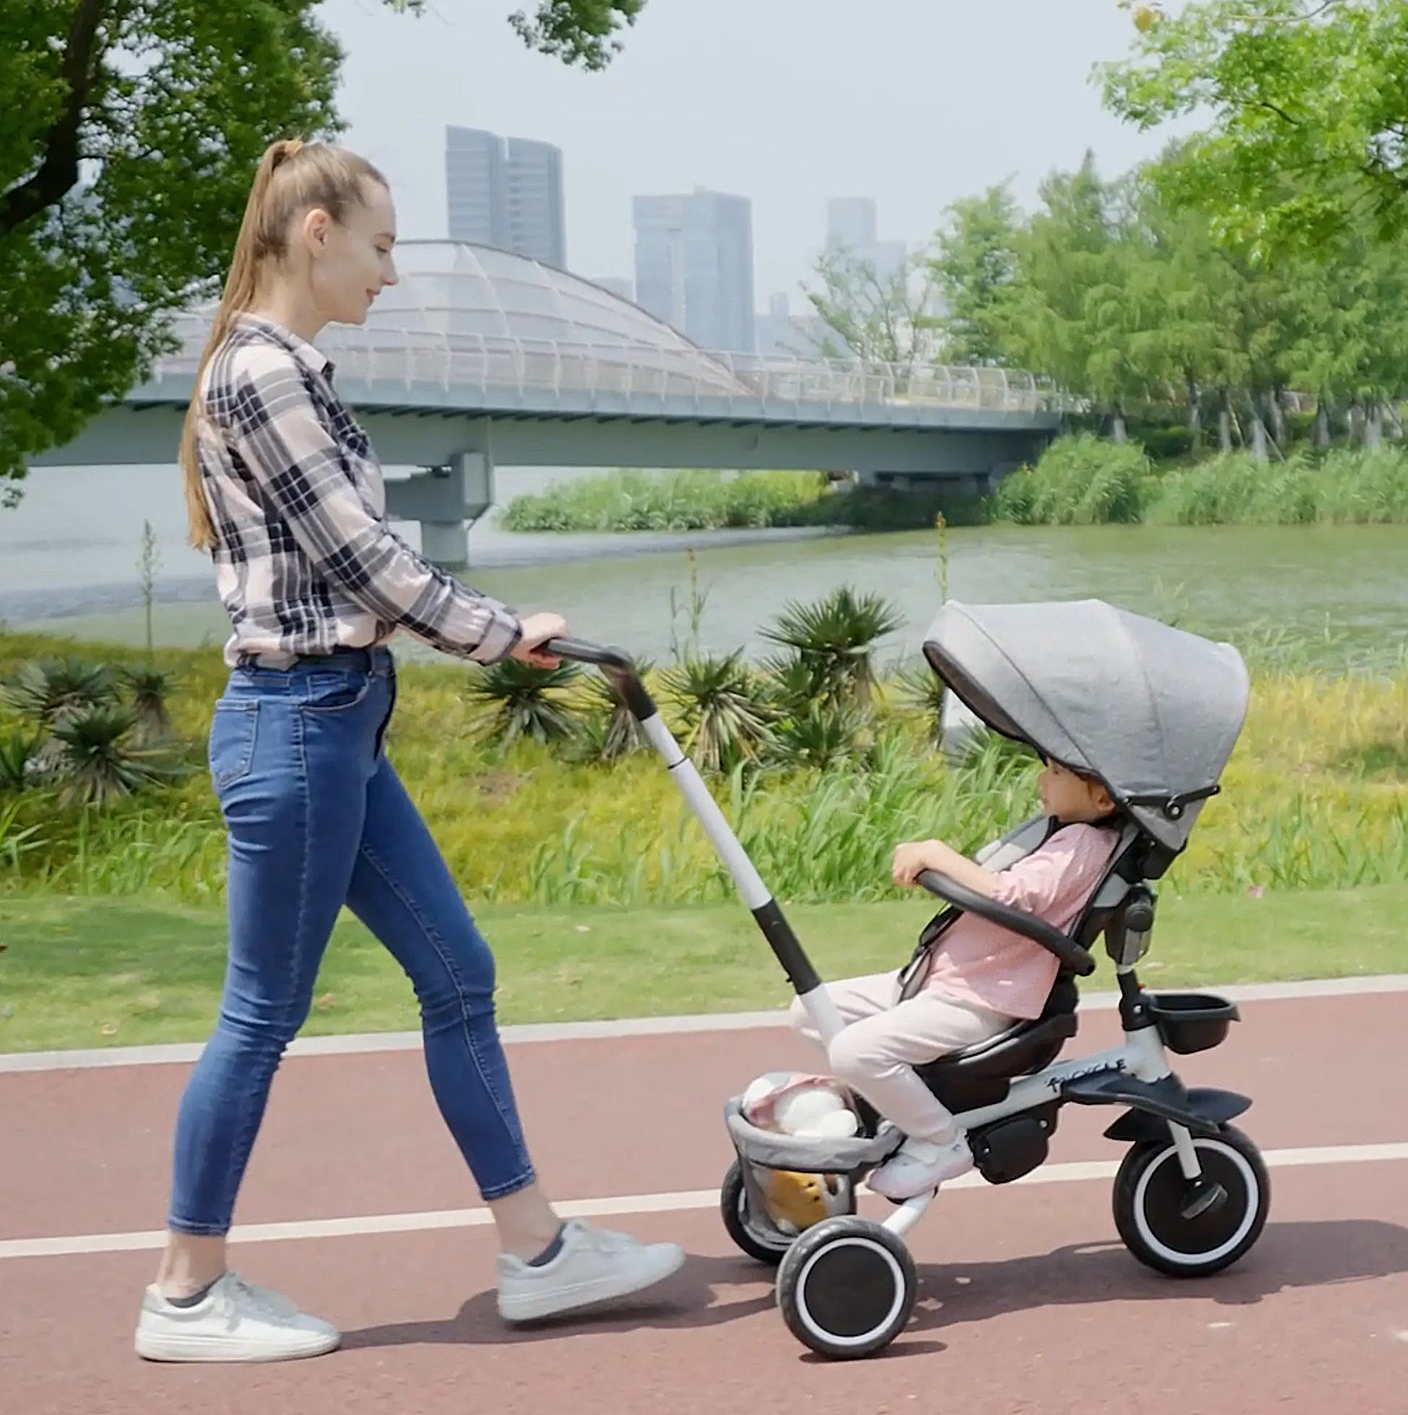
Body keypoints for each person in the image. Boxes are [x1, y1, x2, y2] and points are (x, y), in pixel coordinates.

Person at [133, 138, 685, 1365]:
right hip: (297, 723)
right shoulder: (263, 374)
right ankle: (182, 1291)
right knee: (262, 1010)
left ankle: (537, 1250)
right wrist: (501, 635)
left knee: (457, 971)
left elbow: (361, 566)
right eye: (380, 247)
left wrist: (479, 631)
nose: (390, 273)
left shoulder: (287, 370)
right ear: (315, 231)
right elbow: (364, 559)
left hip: (338, 723)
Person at [788, 757, 1121, 1201]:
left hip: (979, 1000)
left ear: (1100, 798)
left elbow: (1014, 896)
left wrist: (935, 853)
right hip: (940, 980)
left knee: (853, 1052)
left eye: (1057, 773)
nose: (1042, 779)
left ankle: (940, 1142)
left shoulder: (1081, 842)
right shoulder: (1060, 833)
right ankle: (891, 1106)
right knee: (811, 1010)